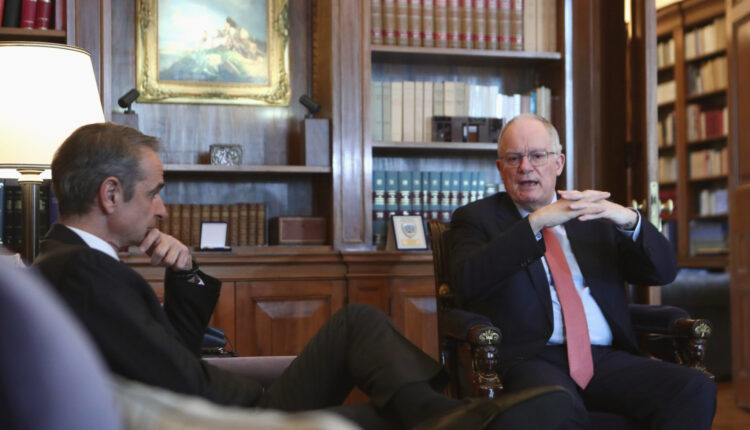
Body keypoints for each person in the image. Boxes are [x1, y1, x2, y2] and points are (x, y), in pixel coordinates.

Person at [32, 122, 573, 430]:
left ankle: (450, 418)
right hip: (228, 417)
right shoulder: (84, 271)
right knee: (387, 410)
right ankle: (459, 420)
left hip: (220, 402)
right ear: (110, 194)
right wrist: (255, 388)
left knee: (358, 325)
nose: (162, 210)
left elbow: (168, 355)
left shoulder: (74, 264)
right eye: (155, 193)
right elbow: (180, 379)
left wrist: (185, 273)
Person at [446, 113, 717, 429]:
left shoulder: (589, 216)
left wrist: (629, 219)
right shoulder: (476, 219)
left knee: (693, 388)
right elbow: (466, 282)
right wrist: (536, 222)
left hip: (604, 357)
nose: (525, 167)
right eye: (514, 158)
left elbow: (663, 272)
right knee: (560, 406)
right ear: (500, 167)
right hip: (531, 359)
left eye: (537, 155)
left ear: (558, 163)